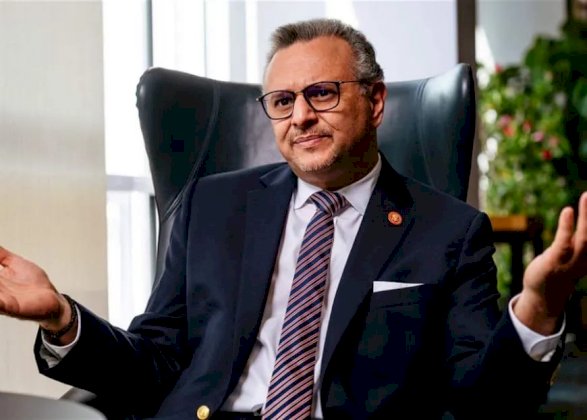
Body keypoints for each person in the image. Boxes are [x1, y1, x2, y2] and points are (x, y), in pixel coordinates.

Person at [0, 18, 585, 420]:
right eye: (282, 101)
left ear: (375, 102)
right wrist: (61, 318)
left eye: (322, 93)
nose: (300, 117)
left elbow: (484, 403)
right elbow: (154, 362)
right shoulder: (211, 206)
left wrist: (539, 307)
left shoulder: (449, 231)